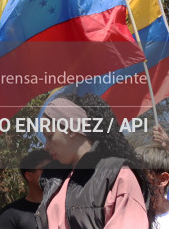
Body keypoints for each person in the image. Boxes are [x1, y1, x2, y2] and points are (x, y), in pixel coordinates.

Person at [35, 94, 154, 229]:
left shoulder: (118, 174)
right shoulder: (54, 182)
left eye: (50, 136)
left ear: (70, 129)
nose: (46, 146)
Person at [0, 150, 49, 229]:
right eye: (46, 169)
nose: (52, 173)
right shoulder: (10, 214)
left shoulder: (66, 208)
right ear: (29, 176)